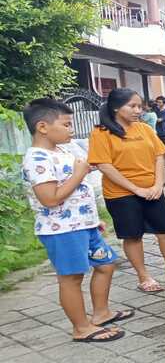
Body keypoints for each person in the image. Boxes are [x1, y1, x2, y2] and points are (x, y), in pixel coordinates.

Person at [21, 99, 134, 342]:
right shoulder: (38, 159)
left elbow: (76, 187)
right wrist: (80, 173)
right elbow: (50, 199)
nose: (71, 130)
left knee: (106, 265)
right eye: (66, 124)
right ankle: (81, 328)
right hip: (61, 230)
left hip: (84, 225)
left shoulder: (62, 150)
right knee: (71, 277)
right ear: (43, 127)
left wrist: (91, 219)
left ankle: (101, 314)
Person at [88, 88, 165, 293]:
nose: (138, 110)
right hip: (121, 194)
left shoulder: (144, 129)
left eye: (140, 106)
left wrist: (157, 185)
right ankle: (143, 276)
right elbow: (105, 165)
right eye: (133, 106)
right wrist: (136, 189)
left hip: (152, 190)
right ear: (116, 107)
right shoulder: (101, 133)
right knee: (133, 235)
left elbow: (159, 156)